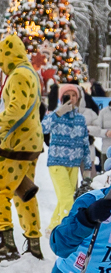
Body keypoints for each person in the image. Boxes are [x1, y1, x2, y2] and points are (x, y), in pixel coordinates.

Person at [0, 35, 44, 262]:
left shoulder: (18, 75)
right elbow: (6, 106)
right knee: (24, 192)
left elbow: (15, 111)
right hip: (31, 140)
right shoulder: (30, 74)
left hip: (16, 142)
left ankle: (7, 244)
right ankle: (34, 243)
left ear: (7, 55)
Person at [42, 84, 93, 231]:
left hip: (74, 165)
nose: (71, 98)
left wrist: (87, 168)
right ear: (61, 98)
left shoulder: (80, 119)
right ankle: (65, 229)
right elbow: (42, 127)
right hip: (57, 163)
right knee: (67, 198)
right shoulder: (56, 116)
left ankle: (53, 227)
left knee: (65, 198)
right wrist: (58, 112)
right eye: (67, 95)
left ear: (78, 98)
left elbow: (85, 144)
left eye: (74, 95)